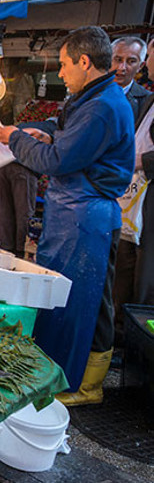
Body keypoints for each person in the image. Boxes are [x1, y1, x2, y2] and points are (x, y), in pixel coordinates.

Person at [0, 26, 135, 404]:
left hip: (86, 220)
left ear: (84, 63)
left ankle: (75, 385)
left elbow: (55, 162)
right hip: (73, 214)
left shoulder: (103, 106)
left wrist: (16, 139)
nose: (60, 73)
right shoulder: (92, 99)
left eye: (64, 64)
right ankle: (64, 376)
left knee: (77, 303)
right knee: (72, 299)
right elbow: (66, 141)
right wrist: (47, 134)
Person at [114, 37, 154, 351]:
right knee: (124, 266)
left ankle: (134, 345)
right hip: (130, 196)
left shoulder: (143, 97)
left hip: (147, 199)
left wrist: (141, 161)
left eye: (136, 60)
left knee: (144, 274)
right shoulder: (151, 100)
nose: (124, 67)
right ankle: (117, 337)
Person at [111, 37, 151, 121]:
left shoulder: (147, 101)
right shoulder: (89, 91)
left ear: (140, 66)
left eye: (131, 61)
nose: (122, 67)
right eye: (118, 60)